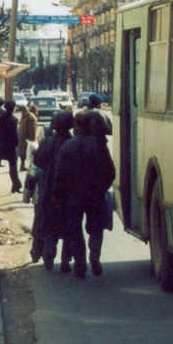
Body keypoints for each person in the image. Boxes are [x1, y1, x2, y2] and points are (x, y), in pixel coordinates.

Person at [53, 111, 115, 279]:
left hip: (72, 198)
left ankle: (79, 266)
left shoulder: (67, 147)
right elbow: (111, 171)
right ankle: (95, 254)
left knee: (75, 230)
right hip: (95, 196)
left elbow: (59, 175)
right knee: (96, 227)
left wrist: (57, 196)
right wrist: (103, 187)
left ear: (77, 126)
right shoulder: (99, 146)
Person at [31, 111, 74, 270]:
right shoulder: (73, 142)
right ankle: (65, 260)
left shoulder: (47, 142)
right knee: (68, 225)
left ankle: (49, 255)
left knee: (49, 224)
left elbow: (38, 163)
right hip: (69, 191)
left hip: (48, 189)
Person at [0, 99, 22, 193]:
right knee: (13, 167)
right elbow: (15, 134)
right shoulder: (14, 119)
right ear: (13, 108)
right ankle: (15, 186)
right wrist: (16, 144)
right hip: (10, 147)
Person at [17, 102, 39, 172]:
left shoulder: (24, 115)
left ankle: (22, 165)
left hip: (22, 136)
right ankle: (32, 166)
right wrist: (33, 138)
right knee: (32, 152)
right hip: (28, 138)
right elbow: (32, 128)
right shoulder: (32, 117)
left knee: (23, 152)